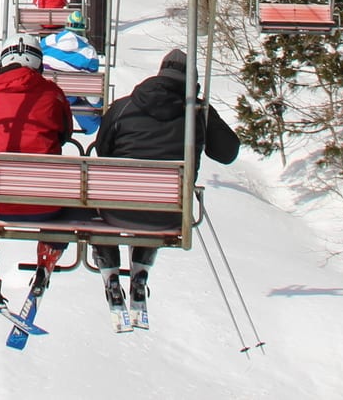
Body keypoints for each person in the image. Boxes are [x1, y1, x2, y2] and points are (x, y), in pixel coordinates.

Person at [90, 49, 240, 315]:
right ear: (191, 82)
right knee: (155, 204)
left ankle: (110, 274)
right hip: (170, 214)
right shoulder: (196, 113)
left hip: (114, 210)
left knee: (101, 198)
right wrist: (205, 113)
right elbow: (227, 153)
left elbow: (103, 151)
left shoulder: (123, 107)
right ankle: (141, 273)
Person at [0, 36, 74, 306]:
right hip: (48, 204)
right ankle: (50, 251)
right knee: (74, 197)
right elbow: (65, 132)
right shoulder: (52, 94)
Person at [41, 14, 103, 135]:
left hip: (46, 95)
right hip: (71, 99)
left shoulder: (47, 42)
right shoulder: (89, 52)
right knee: (93, 121)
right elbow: (92, 87)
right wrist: (98, 106)